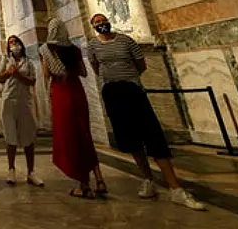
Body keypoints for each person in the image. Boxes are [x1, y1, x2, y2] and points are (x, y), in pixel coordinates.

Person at [87, 13, 206, 210]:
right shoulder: (92, 46)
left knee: (152, 135)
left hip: (132, 89)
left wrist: (128, 78)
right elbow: (96, 68)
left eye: (102, 20)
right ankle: (147, 179)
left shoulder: (126, 40)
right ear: (93, 26)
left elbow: (141, 65)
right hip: (112, 91)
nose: (101, 24)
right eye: (97, 22)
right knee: (129, 138)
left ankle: (175, 187)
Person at [40, 17, 106, 199]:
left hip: (62, 94)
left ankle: (83, 185)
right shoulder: (74, 50)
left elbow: (46, 75)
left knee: (70, 138)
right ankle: (99, 179)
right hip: (77, 92)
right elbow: (84, 72)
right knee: (85, 135)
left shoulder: (46, 50)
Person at [0, 35, 44, 187]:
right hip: (9, 100)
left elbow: (32, 81)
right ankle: (11, 170)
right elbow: (0, 78)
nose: (13, 44)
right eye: (10, 43)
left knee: (28, 137)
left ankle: (31, 172)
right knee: (10, 136)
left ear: (21, 45)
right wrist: (8, 73)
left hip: (24, 102)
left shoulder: (28, 62)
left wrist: (17, 74)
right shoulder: (5, 60)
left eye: (15, 42)